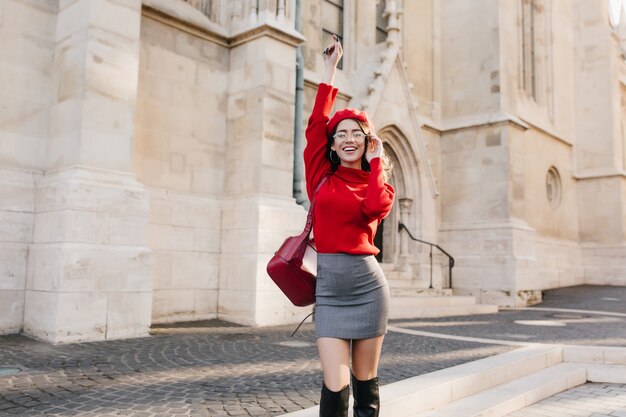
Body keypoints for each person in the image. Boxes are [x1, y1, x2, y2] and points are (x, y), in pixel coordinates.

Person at [304, 34, 395, 417]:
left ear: (366, 141)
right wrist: (330, 71)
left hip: (368, 288)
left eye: (355, 133)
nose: (347, 138)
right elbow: (315, 126)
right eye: (340, 134)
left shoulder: (380, 184)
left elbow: (375, 208)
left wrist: (375, 164)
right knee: (335, 384)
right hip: (329, 290)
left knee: (364, 383)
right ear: (333, 144)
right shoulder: (321, 175)